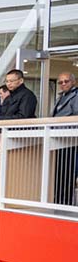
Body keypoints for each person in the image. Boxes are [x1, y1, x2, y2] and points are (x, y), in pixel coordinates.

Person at [52, 71, 78, 205]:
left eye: (66, 81)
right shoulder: (60, 98)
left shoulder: (76, 96)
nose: (63, 84)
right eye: (60, 82)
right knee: (59, 172)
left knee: (67, 172)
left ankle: (65, 201)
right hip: (58, 138)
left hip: (69, 139)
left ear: (73, 82)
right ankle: (58, 199)